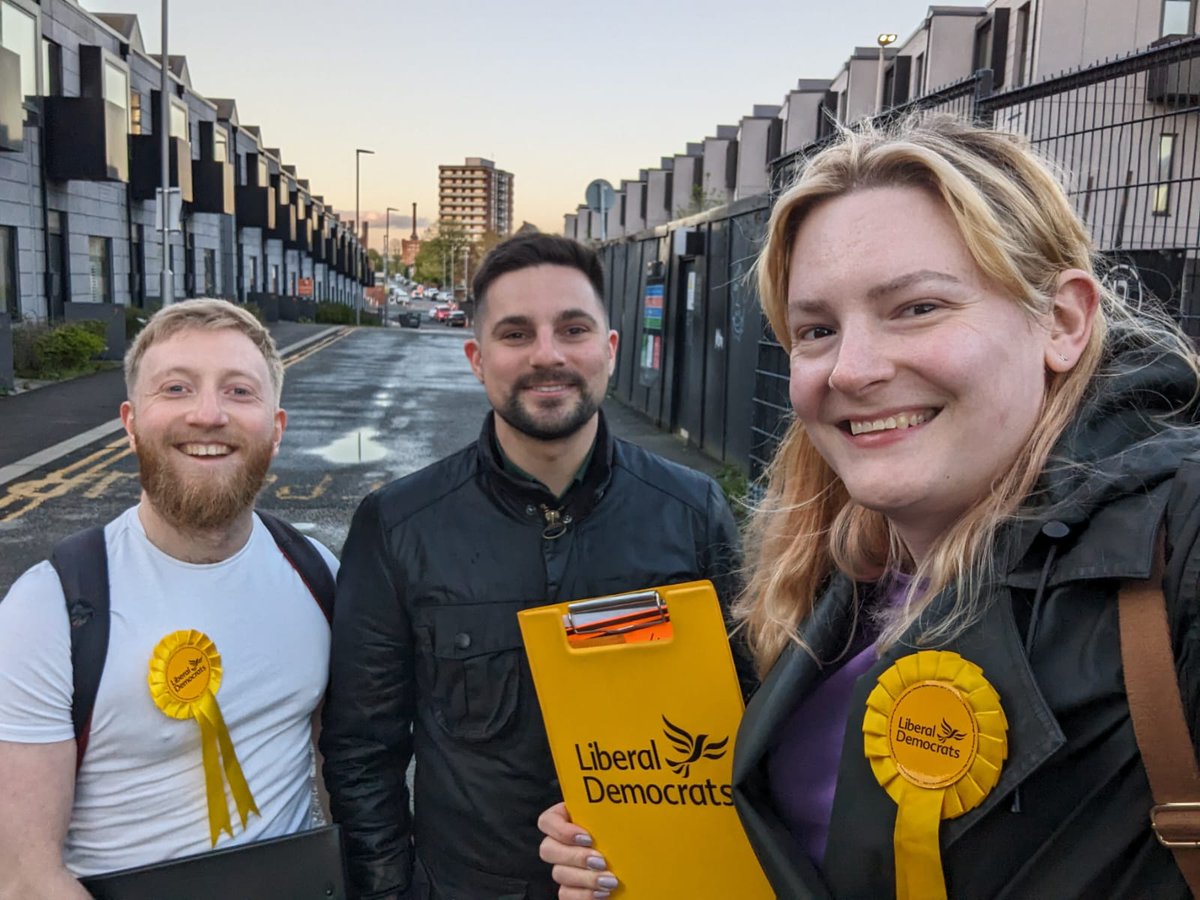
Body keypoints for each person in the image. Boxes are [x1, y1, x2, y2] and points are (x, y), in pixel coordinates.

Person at [538, 114, 1200, 898]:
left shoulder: (1176, 545)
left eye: (916, 307)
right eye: (816, 329)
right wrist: (646, 857)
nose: (850, 370)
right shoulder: (819, 568)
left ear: (1062, 321)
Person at [321, 232, 743, 900]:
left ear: (609, 350)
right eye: (516, 334)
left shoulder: (692, 514)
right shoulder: (399, 525)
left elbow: (745, 723)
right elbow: (362, 750)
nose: (547, 355)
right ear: (477, 358)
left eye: (572, 329)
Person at [0, 299, 338, 893]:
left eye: (239, 391)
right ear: (130, 422)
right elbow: (26, 876)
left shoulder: (318, 574)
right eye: (176, 388)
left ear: (276, 429)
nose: (208, 415)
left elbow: (347, 774)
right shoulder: (46, 610)